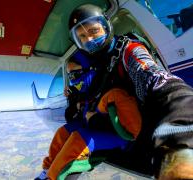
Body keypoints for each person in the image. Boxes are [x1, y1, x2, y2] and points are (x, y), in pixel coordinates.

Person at [68, 4, 193, 180]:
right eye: (82, 36)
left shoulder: (130, 50)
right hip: (124, 129)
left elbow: (156, 78)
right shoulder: (101, 66)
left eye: (94, 31)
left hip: (139, 135)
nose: (89, 39)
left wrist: (182, 125)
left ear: (106, 27)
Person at [34, 55, 142, 180]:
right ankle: (47, 170)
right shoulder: (89, 92)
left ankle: (52, 178)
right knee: (63, 132)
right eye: (70, 76)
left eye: (75, 74)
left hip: (121, 139)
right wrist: (73, 99)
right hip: (96, 128)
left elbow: (132, 132)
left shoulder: (114, 91)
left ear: (92, 70)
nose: (73, 80)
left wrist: (95, 120)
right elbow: (72, 119)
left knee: (78, 139)